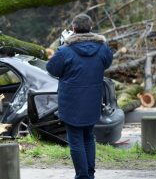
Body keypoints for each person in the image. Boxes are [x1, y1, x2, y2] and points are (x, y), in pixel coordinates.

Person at [46, 14, 113, 179]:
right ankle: (89, 174)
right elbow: (107, 63)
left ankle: (83, 176)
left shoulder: (64, 50)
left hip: (71, 102)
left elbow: (51, 69)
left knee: (75, 139)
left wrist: (62, 45)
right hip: (93, 100)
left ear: (73, 29)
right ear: (90, 28)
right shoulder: (103, 48)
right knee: (89, 137)